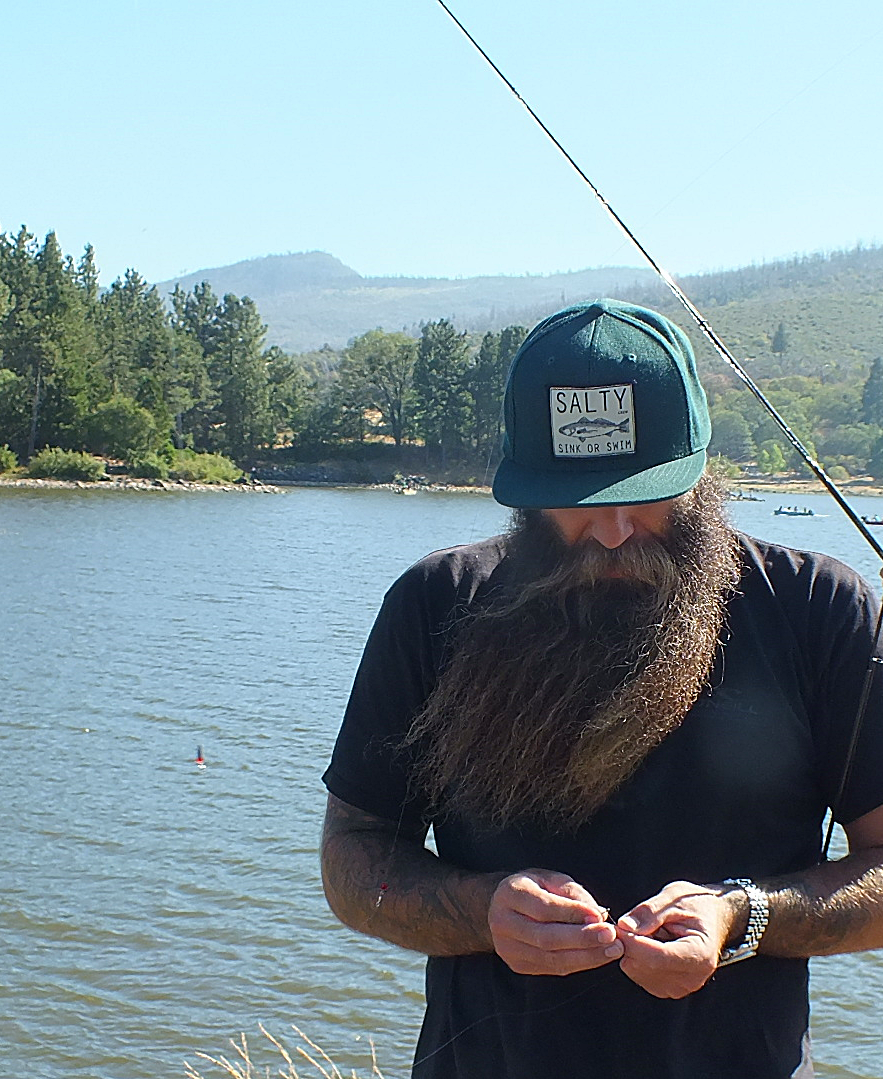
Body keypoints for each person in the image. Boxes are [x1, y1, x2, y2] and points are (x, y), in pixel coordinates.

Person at [320, 299, 883, 1078]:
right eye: (579, 500)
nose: (613, 530)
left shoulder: (818, 607)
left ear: (698, 469)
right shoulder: (436, 602)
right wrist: (482, 910)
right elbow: (351, 860)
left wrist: (741, 916)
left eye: (646, 492)